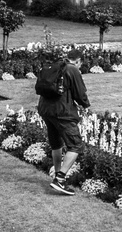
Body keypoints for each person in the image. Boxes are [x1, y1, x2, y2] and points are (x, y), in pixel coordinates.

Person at [36, 45, 89, 195]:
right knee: (76, 145)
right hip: (62, 112)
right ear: (78, 61)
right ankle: (60, 179)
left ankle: (58, 176)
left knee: (56, 143)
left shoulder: (56, 65)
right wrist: (86, 106)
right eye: (81, 64)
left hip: (46, 109)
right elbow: (80, 93)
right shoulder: (72, 69)